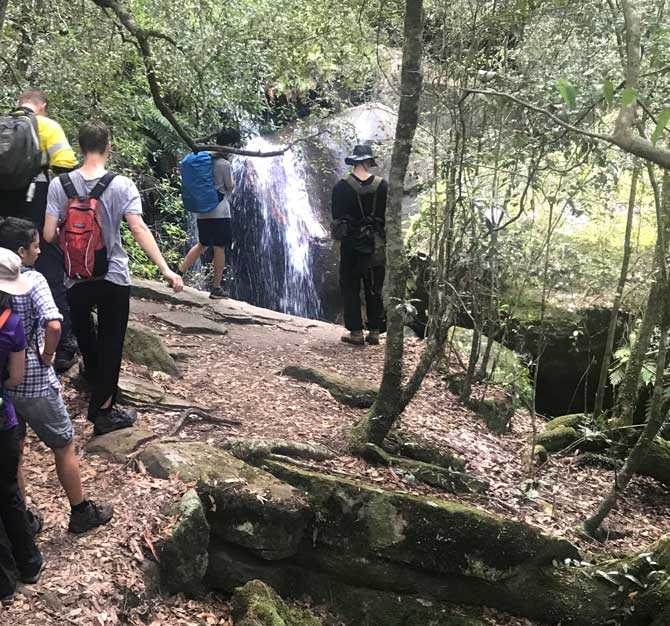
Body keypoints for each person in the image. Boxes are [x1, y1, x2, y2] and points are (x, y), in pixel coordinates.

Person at [44, 120, 183, 433]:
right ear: (108, 147)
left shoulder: (60, 185)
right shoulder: (121, 185)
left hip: (75, 276)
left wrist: (73, 242)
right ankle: (103, 412)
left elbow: (48, 233)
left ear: (79, 147)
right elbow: (137, 228)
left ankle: (97, 381)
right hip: (113, 276)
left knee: (85, 332)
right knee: (111, 341)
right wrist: (165, 269)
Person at [0, 217, 114, 534]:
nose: (40, 251)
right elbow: (53, 323)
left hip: (5, 383)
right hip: (34, 381)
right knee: (63, 444)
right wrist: (49, 355)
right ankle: (80, 512)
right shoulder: (32, 280)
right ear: (21, 251)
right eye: (36, 246)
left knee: (17, 447)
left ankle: (23, 519)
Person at [0, 89, 79, 373]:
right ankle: (61, 347)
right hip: (35, 206)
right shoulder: (46, 126)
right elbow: (67, 165)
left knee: (5, 270)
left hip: (5, 213)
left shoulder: (2, 125)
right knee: (49, 270)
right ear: (42, 106)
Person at [0, 247, 44, 605]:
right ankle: (28, 563)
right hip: (3, 419)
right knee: (9, 492)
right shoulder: (11, 325)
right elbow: (14, 377)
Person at [331, 144, 388, 345]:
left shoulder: (341, 186)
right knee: (374, 287)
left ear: (354, 162)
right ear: (368, 162)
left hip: (351, 245)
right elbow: (388, 217)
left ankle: (356, 333)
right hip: (376, 244)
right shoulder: (383, 186)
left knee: (350, 287)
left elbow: (336, 218)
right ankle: (374, 331)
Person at [178, 128, 239, 299]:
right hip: (219, 211)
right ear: (230, 145)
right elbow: (229, 187)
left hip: (202, 211)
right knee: (219, 248)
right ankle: (217, 288)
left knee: (202, 244)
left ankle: (178, 274)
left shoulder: (203, 160)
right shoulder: (224, 164)